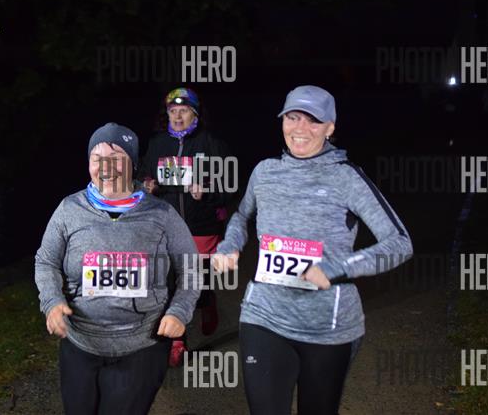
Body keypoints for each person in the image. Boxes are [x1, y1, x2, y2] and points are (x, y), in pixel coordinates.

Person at [212, 85, 413, 415]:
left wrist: (336, 268)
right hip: (263, 316)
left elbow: (400, 243)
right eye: (292, 117)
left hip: (326, 328)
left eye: (313, 120)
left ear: (330, 128)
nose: (300, 128)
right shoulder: (265, 171)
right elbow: (242, 215)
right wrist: (230, 245)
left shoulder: (346, 178)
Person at [35, 122, 200, 415]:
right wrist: (52, 301)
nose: (106, 167)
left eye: (116, 158)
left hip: (142, 346)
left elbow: (191, 267)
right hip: (80, 345)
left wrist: (179, 311)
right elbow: (46, 260)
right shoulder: (69, 209)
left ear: (133, 164)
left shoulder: (162, 214)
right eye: (96, 158)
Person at [139, 87, 233, 365]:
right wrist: (148, 185)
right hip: (166, 225)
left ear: (195, 114)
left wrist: (208, 190)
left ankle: (207, 300)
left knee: (197, 283)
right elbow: (143, 176)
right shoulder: (157, 144)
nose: (178, 117)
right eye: (173, 111)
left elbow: (229, 187)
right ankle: (177, 341)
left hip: (202, 225)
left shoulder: (211, 144)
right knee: (170, 282)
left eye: (184, 111)